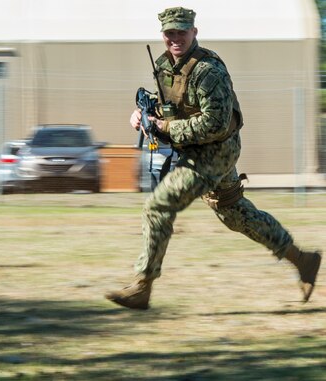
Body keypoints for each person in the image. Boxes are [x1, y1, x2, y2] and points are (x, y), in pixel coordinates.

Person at [104, 7, 321, 310]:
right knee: (235, 214)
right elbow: (171, 104)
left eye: (182, 31)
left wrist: (166, 127)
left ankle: (143, 285)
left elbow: (215, 124)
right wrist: (144, 113)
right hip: (198, 149)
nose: (176, 38)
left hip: (214, 152)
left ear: (194, 32)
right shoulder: (166, 65)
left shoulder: (208, 71)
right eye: (170, 33)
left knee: (158, 205)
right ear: (163, 35)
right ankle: (302, 259)